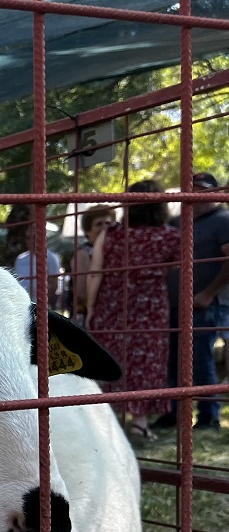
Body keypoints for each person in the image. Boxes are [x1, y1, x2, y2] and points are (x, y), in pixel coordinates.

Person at [86, 179, 181, 441]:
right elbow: (176, 267)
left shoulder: (113, 233)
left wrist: (92, 308)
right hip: (151, 310)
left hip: (114, 305)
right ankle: (140, 423)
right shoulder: (171, 236)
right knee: (147, 363)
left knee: (109, 360)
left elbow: (95, 273)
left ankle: (104, 424)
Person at [186, 173, 229, 430]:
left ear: (215, 194)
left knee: (202, 358)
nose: (197, 196)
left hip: (210, 302)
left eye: (202, 191)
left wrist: (209, 293)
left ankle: (209, 414)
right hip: (185, 302)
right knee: (184, 359)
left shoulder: (222, 219)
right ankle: (176, 413)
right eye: (192, 190)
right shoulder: (184, 220)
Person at [70, 204, 116, 325]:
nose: (105, 228)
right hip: (87, 317)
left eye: (108, 223)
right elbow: (81, 292)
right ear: (87, 230)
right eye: (99, 224)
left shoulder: (113, 251)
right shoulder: (83, 253)